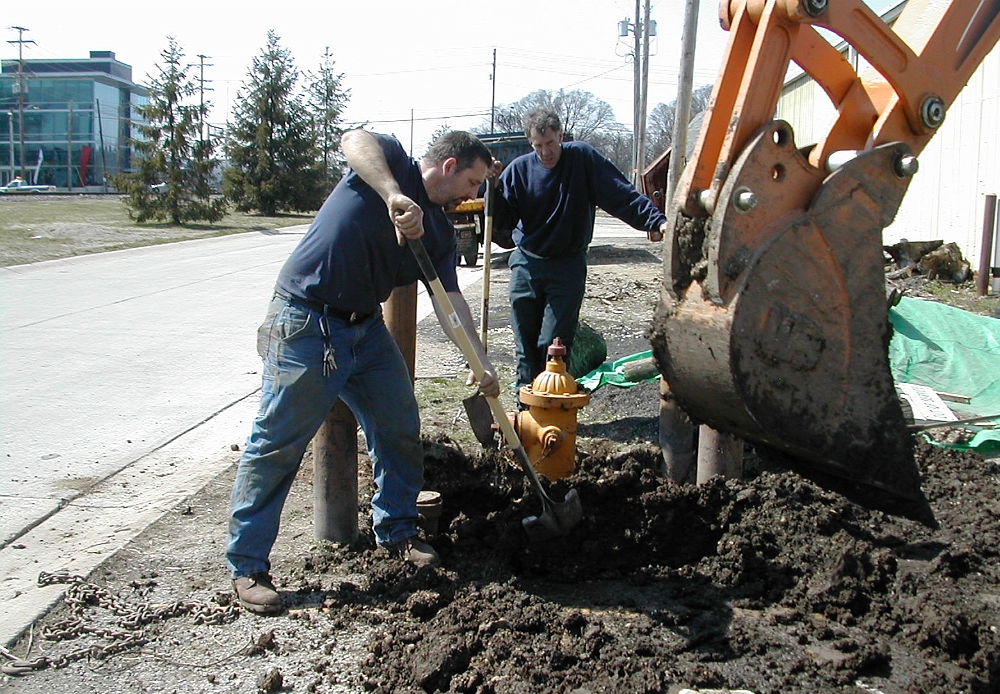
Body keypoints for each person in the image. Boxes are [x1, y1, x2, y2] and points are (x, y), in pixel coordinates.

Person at [226, 129, 500, 614]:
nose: (474, 196)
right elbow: (354, 140)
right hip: (307, 321)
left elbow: (450, 300)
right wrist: (393, 194)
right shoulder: (391, 162)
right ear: (451, 166)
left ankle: (396, 530)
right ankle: (247, 566)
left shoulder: (436, 230)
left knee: (398, 424)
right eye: (474, 183)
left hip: (364, 330)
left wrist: (480, 363)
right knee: (278, 444)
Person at [491, 108, 668, 396]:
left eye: (550, 143)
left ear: (560, 136)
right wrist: (493, 190)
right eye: (538, 146)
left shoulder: (582, 160)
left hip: (567, 265)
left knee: (553, 343)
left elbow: (620, 193)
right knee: (525, 343)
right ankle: (526, 414)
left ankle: (553, 404)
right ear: (530, 142)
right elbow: (502, 227)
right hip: (526, 264)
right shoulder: (518, 171)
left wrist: (656, 220)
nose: (546, 152)